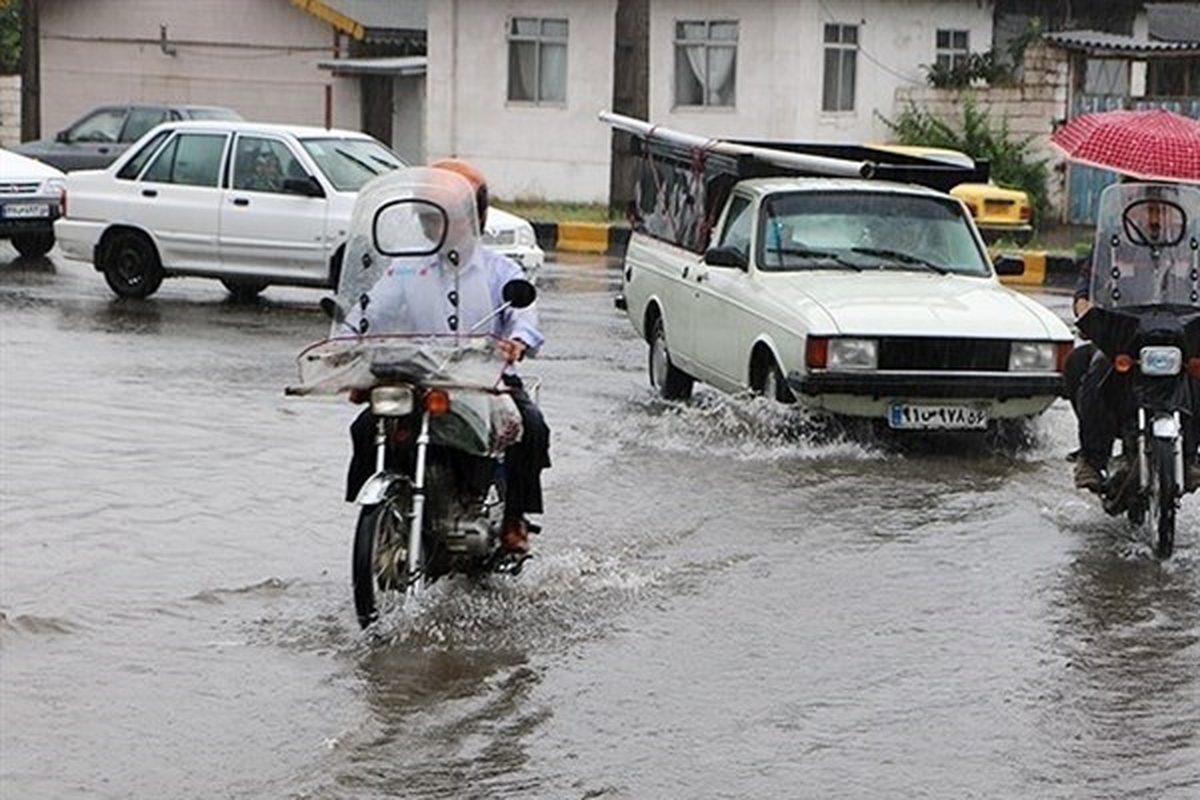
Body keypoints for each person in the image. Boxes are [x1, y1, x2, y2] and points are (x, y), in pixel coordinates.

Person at [345, 159, 551, 554]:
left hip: (485, 379)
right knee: (364, 427)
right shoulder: (406, 269)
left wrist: (518, 341)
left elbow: (524, 318)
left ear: (473, 218)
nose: (431, 227)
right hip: (421, 377)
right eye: (426, 217)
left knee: (533, 426)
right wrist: (349, 336)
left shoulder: (499, 270)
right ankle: (380, 513)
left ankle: (514, 520)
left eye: (441, 217)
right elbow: (371, 310)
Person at [1067, 194, 1200, 494]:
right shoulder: (1112, 241)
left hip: (1177, 334)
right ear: (1131, 207)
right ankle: (1092, 457)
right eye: (1148, 209)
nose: (1154, 218)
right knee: (1092, 366)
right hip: (1125, 333)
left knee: (1197, 371)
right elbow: (1085, 290)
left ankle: (1191, 455)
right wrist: (1087, 314)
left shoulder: (1192, 242)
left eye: (1161, 209)